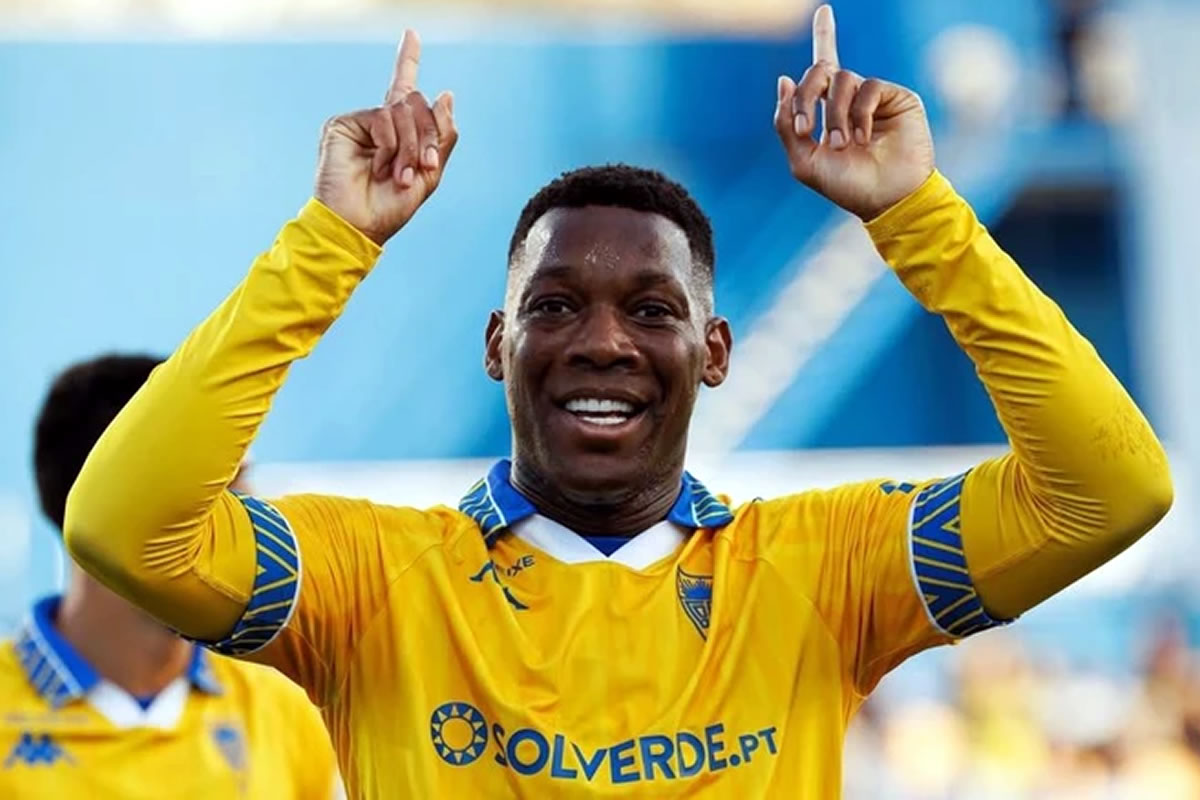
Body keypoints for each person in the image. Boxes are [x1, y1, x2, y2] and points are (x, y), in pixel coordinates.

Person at [63, 6, 1173, 798]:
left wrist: (919, 216)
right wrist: (333, 240)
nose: (603, 342)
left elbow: (1108, 490)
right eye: (553, 307)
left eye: (651, 309)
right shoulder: (371, 583)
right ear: (498, 347)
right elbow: (125, 526)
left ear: (714, 351)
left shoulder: (823, 571)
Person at [1, 354, 340, 800]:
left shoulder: (285, 709)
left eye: (243, 479)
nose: (252, 515)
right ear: (101, 511)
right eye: (216, 485)